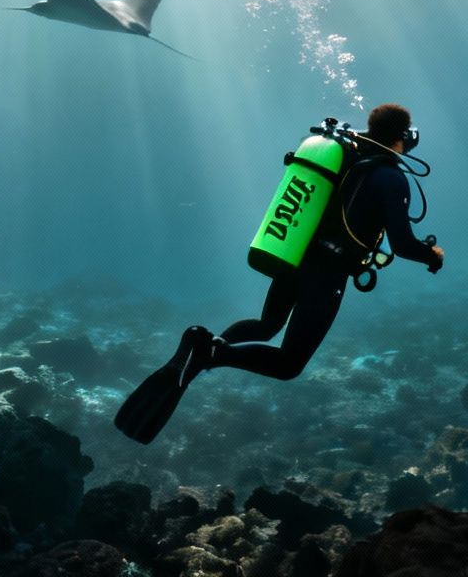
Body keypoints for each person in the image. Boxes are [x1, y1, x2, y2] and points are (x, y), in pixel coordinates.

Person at [115, 103, 444, 444]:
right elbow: (403, 244)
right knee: (288, 365)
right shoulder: (390, 176)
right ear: (402, 137)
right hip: (327, 273)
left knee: (266, 325)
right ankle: (208, 351)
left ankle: (204, 353)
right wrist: (431, 256)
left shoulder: (345, 155)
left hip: (296, 255)